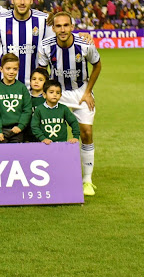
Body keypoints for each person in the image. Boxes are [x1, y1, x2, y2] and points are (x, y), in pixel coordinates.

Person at [38, 12, 102, 196]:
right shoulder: (46, 46)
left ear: (72, 27)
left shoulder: (85, 45)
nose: (63, 29)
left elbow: (97, 65)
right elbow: (42, 70)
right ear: (53, 28)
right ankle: (52, 176)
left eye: (66, 25)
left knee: (86, 132)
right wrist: (45, 93)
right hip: (57, 93)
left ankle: (87, 181)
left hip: (81, 92)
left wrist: (88, 91)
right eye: (59, 26)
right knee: (51, 132)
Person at [0, 0, 53, 87]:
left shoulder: (44, 20)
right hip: (6, 87)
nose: (22, 2)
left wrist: (82, 36)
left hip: (35, 88)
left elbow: (57, 45)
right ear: (12, 0)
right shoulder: (0, 20)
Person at [0, 53, 32, 143]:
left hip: (17, 130)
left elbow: (27, 109)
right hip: (1, 131)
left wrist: (20, 126)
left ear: (18, 70)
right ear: (1, 69)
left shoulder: (22, 88)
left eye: (15, 69)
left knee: (16, 156)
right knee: (0, 156)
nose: (11, 72)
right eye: (8, 68)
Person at [31, 80, 81, 145]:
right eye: (51, 92)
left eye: (57, 93)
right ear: (44, 95)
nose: (55, 95)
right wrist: (43, 138)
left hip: (61, 145)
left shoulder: (64, 109)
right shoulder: (39, 110)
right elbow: (34, 126)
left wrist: (76, 137)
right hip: (43, 145)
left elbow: (73, 122)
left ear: (60, 95)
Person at [25, 67, 49, 143]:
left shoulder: (48, 99)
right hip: (28, 134)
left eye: (40, 80)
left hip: (44, 134)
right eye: (34, 79)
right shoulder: (26, 97)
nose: (36, 82)